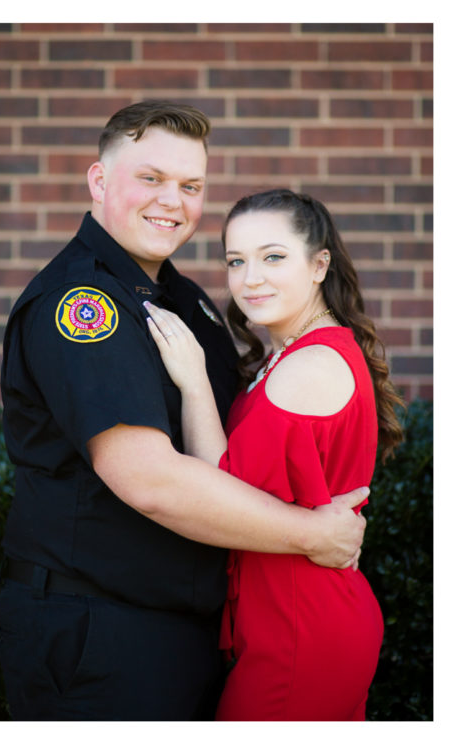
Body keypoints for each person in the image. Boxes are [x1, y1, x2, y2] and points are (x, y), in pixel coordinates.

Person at [0, 101, 370, 720]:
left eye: (190, 186)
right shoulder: (82, 302)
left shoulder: (188, 301)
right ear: (99, 181)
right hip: (101, 631)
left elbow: (235, 453)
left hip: (188, 633)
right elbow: (150, 481)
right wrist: (315, 536)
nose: (172, 201)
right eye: (151, 179)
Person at [144, 189, 402, 720]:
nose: (250, 278)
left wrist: (193, 381)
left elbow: (220, 490)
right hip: (288, 619)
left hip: (301, 632)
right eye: (236, 261)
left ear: (319, 264)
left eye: (273, 257)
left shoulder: (310, 366)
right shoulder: (292, 352)